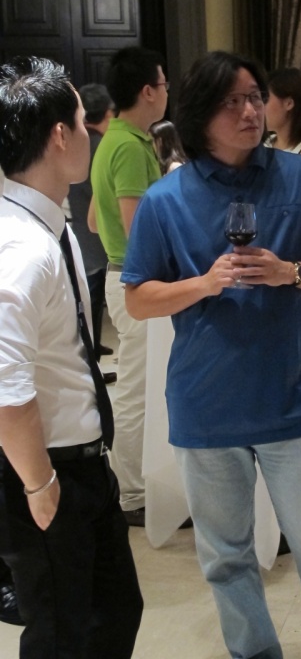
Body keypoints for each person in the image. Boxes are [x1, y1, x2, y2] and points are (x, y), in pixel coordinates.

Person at [121, 50, 301, 659]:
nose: (250, 111)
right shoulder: (165, 200)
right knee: (226, 557)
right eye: (232, 101)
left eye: (255, 96)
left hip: (291, 398)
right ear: (199, 115)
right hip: (206, 405)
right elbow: (138, 299)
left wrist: (289, 272)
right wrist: (204, 284)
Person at [0, 56, 143, 657]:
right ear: (60, 135)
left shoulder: (45, 222)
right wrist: (40, 485)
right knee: (64, 635)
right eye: (84, 122)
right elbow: (4, 387)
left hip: (80, 460)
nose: (91, 133)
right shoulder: (21, 245)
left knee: (113, 614)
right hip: (47, 467)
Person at [90, 46, 165, 527]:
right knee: (138, 391)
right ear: (147, 92)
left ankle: (139, 488)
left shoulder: (114, 140)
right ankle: (133, 494)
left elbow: (95, 221)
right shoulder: (130, 146)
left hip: (122, 276)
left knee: (140, 386)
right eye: (164, 83)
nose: (167, 92)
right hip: (135, 281)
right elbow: (136, 227)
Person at [68, 83, 116, 384]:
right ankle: (93, 361)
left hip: (82, 229)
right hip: (95, 233)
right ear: (108, 113)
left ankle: (95, 350)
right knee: (92, 300)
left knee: (91, 300)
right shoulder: (99, 144)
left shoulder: (84, 143)